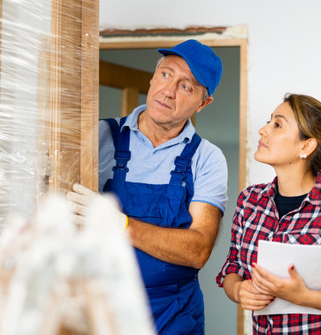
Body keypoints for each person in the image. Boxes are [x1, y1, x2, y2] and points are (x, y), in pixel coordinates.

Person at [68, 39, 227, 334]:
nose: (168, 91)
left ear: (204, 103)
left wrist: (120, 224)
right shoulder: (99, 136)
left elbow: (197, 249)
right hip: (101, 309)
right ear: (153, 78)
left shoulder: (207, 158)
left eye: (186, 86)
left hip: (172, 316)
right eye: (166, 74)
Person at [216, 94, 321, 334]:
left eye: (277, 124)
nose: (263, 130)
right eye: (268, 121)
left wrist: (304, 296)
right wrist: (240, 291)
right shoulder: (249, 201)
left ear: (305, 146)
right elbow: (233, 268)